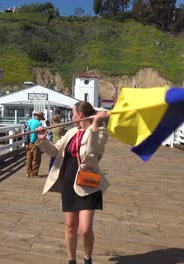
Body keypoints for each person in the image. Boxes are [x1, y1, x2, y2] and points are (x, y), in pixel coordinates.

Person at [35, 101, 109, 264]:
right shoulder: (71, 132)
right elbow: (55, 151)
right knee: (69, 225)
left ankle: (87, 259)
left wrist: (95, 125)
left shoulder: (100, 131)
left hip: (88, 183)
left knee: (85, 228)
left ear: (80, 115)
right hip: (69, 181)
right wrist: (43, 140)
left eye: (73, 112)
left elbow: (92, 152)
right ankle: (71, 260)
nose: (72, 115)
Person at [26, 112, 44, 177]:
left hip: (28, 142)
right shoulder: (39, 123)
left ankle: (28, 173)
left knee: (29, 157)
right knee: (36, 158)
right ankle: (34, 173)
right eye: (41, 118)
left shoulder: (29, 121)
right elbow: (41, 133)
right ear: (38, 116)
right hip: (35, 142)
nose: (41, 119)